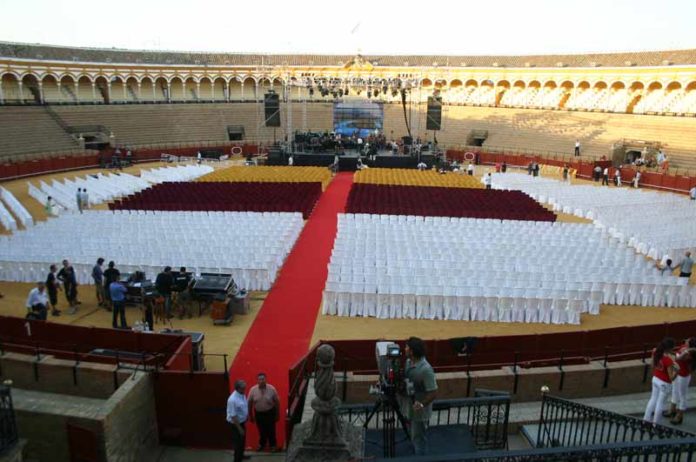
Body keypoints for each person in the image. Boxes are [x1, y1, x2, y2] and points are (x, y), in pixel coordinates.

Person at [404, 337, 438, 456]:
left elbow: (433, 392)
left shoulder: (426, 370)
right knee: (413, 436)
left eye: (407, 347)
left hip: (419, 413)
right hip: (408, 408)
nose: (405, 349)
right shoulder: (408, 362)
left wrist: (422, 404)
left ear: (412, 351)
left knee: (419, 440)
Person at [643, 337, 678, 425]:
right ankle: (656, 424)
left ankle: (646, 420)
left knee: (652, 399)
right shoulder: (668, 360)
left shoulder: (655, 352)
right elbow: (671, 378)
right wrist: (677, 371)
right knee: (660, 403)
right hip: (664, 383)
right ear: (669, 348)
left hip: (655, 379)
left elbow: (652, 365)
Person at [664, 338, 696, 425]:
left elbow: (679, 358)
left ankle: (679, 415)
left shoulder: (691, 353)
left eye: (688, 341)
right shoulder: (684, 347)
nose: (686, 340)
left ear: (690, 344)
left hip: (683, 375)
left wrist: (686, 351)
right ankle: (672, 409)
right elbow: (677, 354)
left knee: (682, 395)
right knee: (674, 391)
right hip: (677, 372)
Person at [248, 372, 280, 452]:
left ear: (266, 380)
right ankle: (262, 444)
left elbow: (277, 402)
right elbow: (249, 403)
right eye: (260, 379)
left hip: (270, 413)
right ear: (257, 380)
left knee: (271, 430)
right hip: (258, 414)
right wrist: (250, 415)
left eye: (263, 379)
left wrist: (277, 414)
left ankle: (273, 445)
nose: (261, 381)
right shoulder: (252, 390)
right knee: (261, 430)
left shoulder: (272, 389)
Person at [227, 379, 249, 462]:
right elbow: (233, 416)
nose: (245, 390)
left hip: (242, 422)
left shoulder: (242, 394)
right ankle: (237, 460)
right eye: (243, 388)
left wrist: (246, 416)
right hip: (236, 425)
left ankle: (241, 455)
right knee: (238, 444)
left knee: (242, 441)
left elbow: (243, 405)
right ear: (238, 389)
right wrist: (240, 429)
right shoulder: (232, 400)